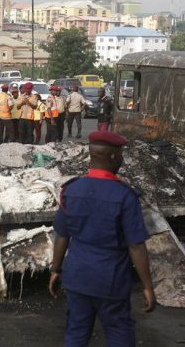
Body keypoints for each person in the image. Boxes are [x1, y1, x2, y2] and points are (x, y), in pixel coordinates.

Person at [49, 131, 155, 346]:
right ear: (114, 157)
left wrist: (55, 269)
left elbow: (62, 235)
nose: (123, 158)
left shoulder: (71, 190)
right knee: (118, 333)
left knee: (76, 333)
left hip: (77, 276)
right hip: (111, 279)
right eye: (121, 154)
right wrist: (147, 286)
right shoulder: (125, 195)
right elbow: (135, 245)